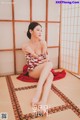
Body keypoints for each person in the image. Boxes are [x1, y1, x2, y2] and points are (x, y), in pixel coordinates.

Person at [22, 22, 54, 113]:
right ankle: (38, 91)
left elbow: (46, 59)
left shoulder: (43, 43)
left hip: (43, 69)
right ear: (31, 31)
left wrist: (40, 57)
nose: (40, 32)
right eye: (38, 30)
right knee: (49, 64)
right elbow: (31, 63)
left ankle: (43, 101)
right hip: (33, 71)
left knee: (50, 75)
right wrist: (37, 56)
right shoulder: (25, 45)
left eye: (41, 30)